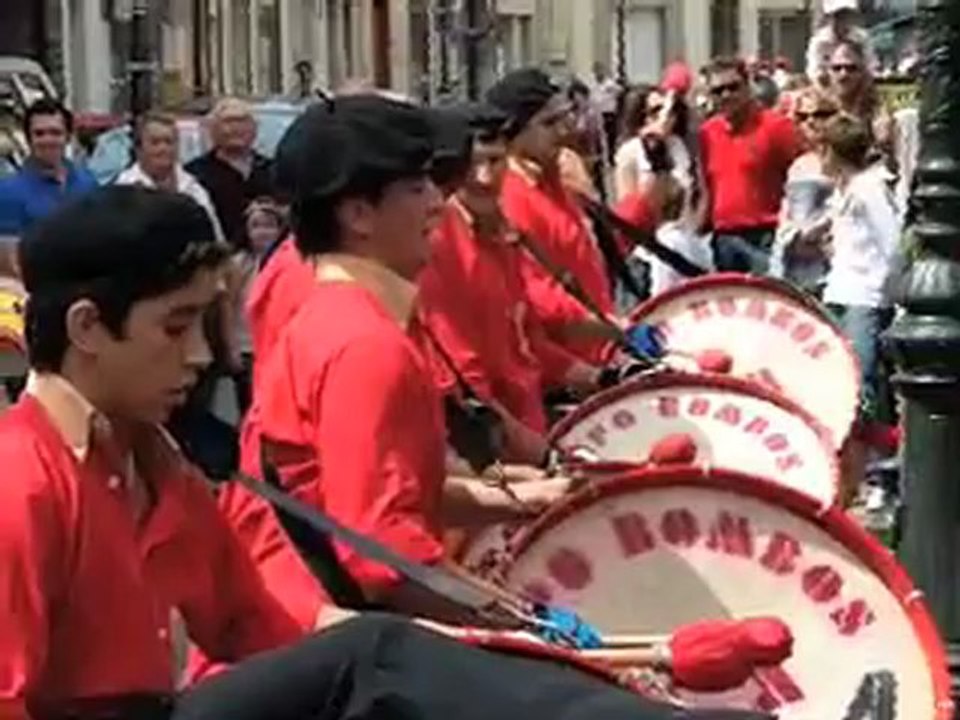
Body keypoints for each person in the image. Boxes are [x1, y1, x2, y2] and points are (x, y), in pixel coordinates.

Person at [0, 185, 771, 720]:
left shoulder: (158, 458)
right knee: (372, 655)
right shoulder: (22, 479)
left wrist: (498, 648)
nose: (202, 356)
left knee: (381, 660)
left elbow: (255, 623)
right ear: (88, 329)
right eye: (175, 327)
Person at [218, 95, 574, 633]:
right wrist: (528, 626)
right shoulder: (364, 344)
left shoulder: (344, 316)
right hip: (318, 640)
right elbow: (384, 557)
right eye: (416, 187)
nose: (437, 203)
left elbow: (381, 493)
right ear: (358, 214)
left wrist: (518, 499)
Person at [418, 102, 602, 464]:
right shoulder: (437, 242)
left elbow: (527, 341)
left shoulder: (501, 236)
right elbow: (462, 375)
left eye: (495, 160)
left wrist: (603, 376)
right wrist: (535, 459)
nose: (484, 177)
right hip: (496, 450)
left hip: (527, 431)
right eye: (472, 165)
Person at [488, 68, 621, 364]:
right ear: (513, 132)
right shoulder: (510, 195)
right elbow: (538, 298)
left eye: (565, 117)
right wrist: (616, 330)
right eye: (549, 123)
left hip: (598, 352)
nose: (564, 131)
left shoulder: (555, 182)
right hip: (566, 368)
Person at [820, 112, 901, 424]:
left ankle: (870, 441)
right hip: (839, 291)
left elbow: (891, 243)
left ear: (833, 150)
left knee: (862, 377)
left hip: (866, 297)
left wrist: (887, 289)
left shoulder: (869, 188)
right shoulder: (844, 190)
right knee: (842, 374)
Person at [697, 57, 800, 274]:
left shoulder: (777, 127)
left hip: (765, 237)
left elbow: (801, 176)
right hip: (723, 240)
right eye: (718, 90)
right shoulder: (707, 133)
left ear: (748, 87)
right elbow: (707, 187)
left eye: (733, 87)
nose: (726, 95)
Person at [0, 99, 97, 275]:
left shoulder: (88, 182)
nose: (48, 140)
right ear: (28, 139)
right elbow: (9, 261)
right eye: (39, 133)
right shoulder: (7, 191)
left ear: (68, 137)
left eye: (55, 133)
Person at [770, 87, 839, 296]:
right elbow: (787, 211)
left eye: (820, 115)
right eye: (802, 116)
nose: (811, 122)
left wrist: (818, 230)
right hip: (795, 261)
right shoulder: (799, 164)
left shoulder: (845, 161)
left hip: (831, 257)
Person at [186, 98, 275, 247]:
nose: (236, 128)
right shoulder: (194, 175)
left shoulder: (273, 169)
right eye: (228, 122)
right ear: (213, 130)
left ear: (254, 129)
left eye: (242, 121)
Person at [226, 197, 286, 414]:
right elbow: (228, 305)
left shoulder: (286, 262)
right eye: (256, 226)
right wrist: (231, 346)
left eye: (269, 226)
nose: (263, 232)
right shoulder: (239, 264)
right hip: (247, 347)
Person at [806, 0, 876, 87]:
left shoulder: (861, 38)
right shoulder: (819, 42)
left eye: (847, 14)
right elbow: (813, 72)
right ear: (830, 18)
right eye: (839, 15)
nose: (843, 19)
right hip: (828, 87)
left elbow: (871, 66)